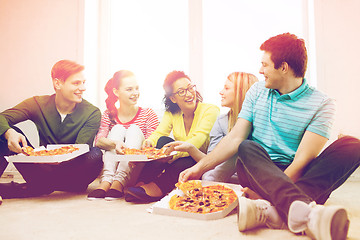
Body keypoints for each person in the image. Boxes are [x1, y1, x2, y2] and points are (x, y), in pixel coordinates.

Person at [179, 33, 360, 239]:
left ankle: (275, 211)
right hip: (257, 169)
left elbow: (302, 160)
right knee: (247, 147)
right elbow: (235, 138)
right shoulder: (256, 91)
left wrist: (278, 193)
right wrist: (198, 168)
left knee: (353, 145)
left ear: (283, 67)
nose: (260, 70)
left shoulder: (323, 103)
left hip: (296, 172)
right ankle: (305, 211)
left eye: (265, 65)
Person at [0, 60, 103, 200]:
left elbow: (80, 149)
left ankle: (39, 187)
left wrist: (55, 158)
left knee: (95, 154)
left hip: (72, 175)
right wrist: (9, 133)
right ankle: (41, 186)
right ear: (58, 83)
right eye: (76, 83)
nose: (83, 88)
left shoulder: (92, 112)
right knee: (4, 133)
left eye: (83, 82)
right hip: (40, 169)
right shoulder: (37, 103)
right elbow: (2, 118)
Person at [124, 70, 219, 202]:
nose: (189, 93)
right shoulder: (172, 113)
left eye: (190, 88)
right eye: (182, 91)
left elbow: (197, 140)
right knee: (163, 141)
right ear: (173, 98)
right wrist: (149, 142)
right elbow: (160, 133)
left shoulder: (210, 110)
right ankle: (143, 182)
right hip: (177, 156)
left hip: (198, 159)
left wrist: (171, 155)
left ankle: (158, 188)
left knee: (186, 161)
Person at [166, 72, 258, 184]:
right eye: (181, 91)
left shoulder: (259, 122)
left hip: (250, 178)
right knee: (165, 143)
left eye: (227, 88)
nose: (221, 92)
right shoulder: (221, 122)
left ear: (241, 92)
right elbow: (211, 161)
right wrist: (190, 148)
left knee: (241, 147)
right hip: (222, 178)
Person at [87, 70, 159, 200]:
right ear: (116, 92)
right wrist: (116, 144)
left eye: (137, 88)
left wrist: (141, 148)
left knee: (134, 129)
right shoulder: (109, 114)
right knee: (118, 129)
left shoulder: (148, 114)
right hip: (111, 169)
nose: (135, 93)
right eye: (129, 89)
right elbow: (98, 141)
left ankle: (119, 182)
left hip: (134, 169)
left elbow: (152, 145)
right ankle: (106, 181)